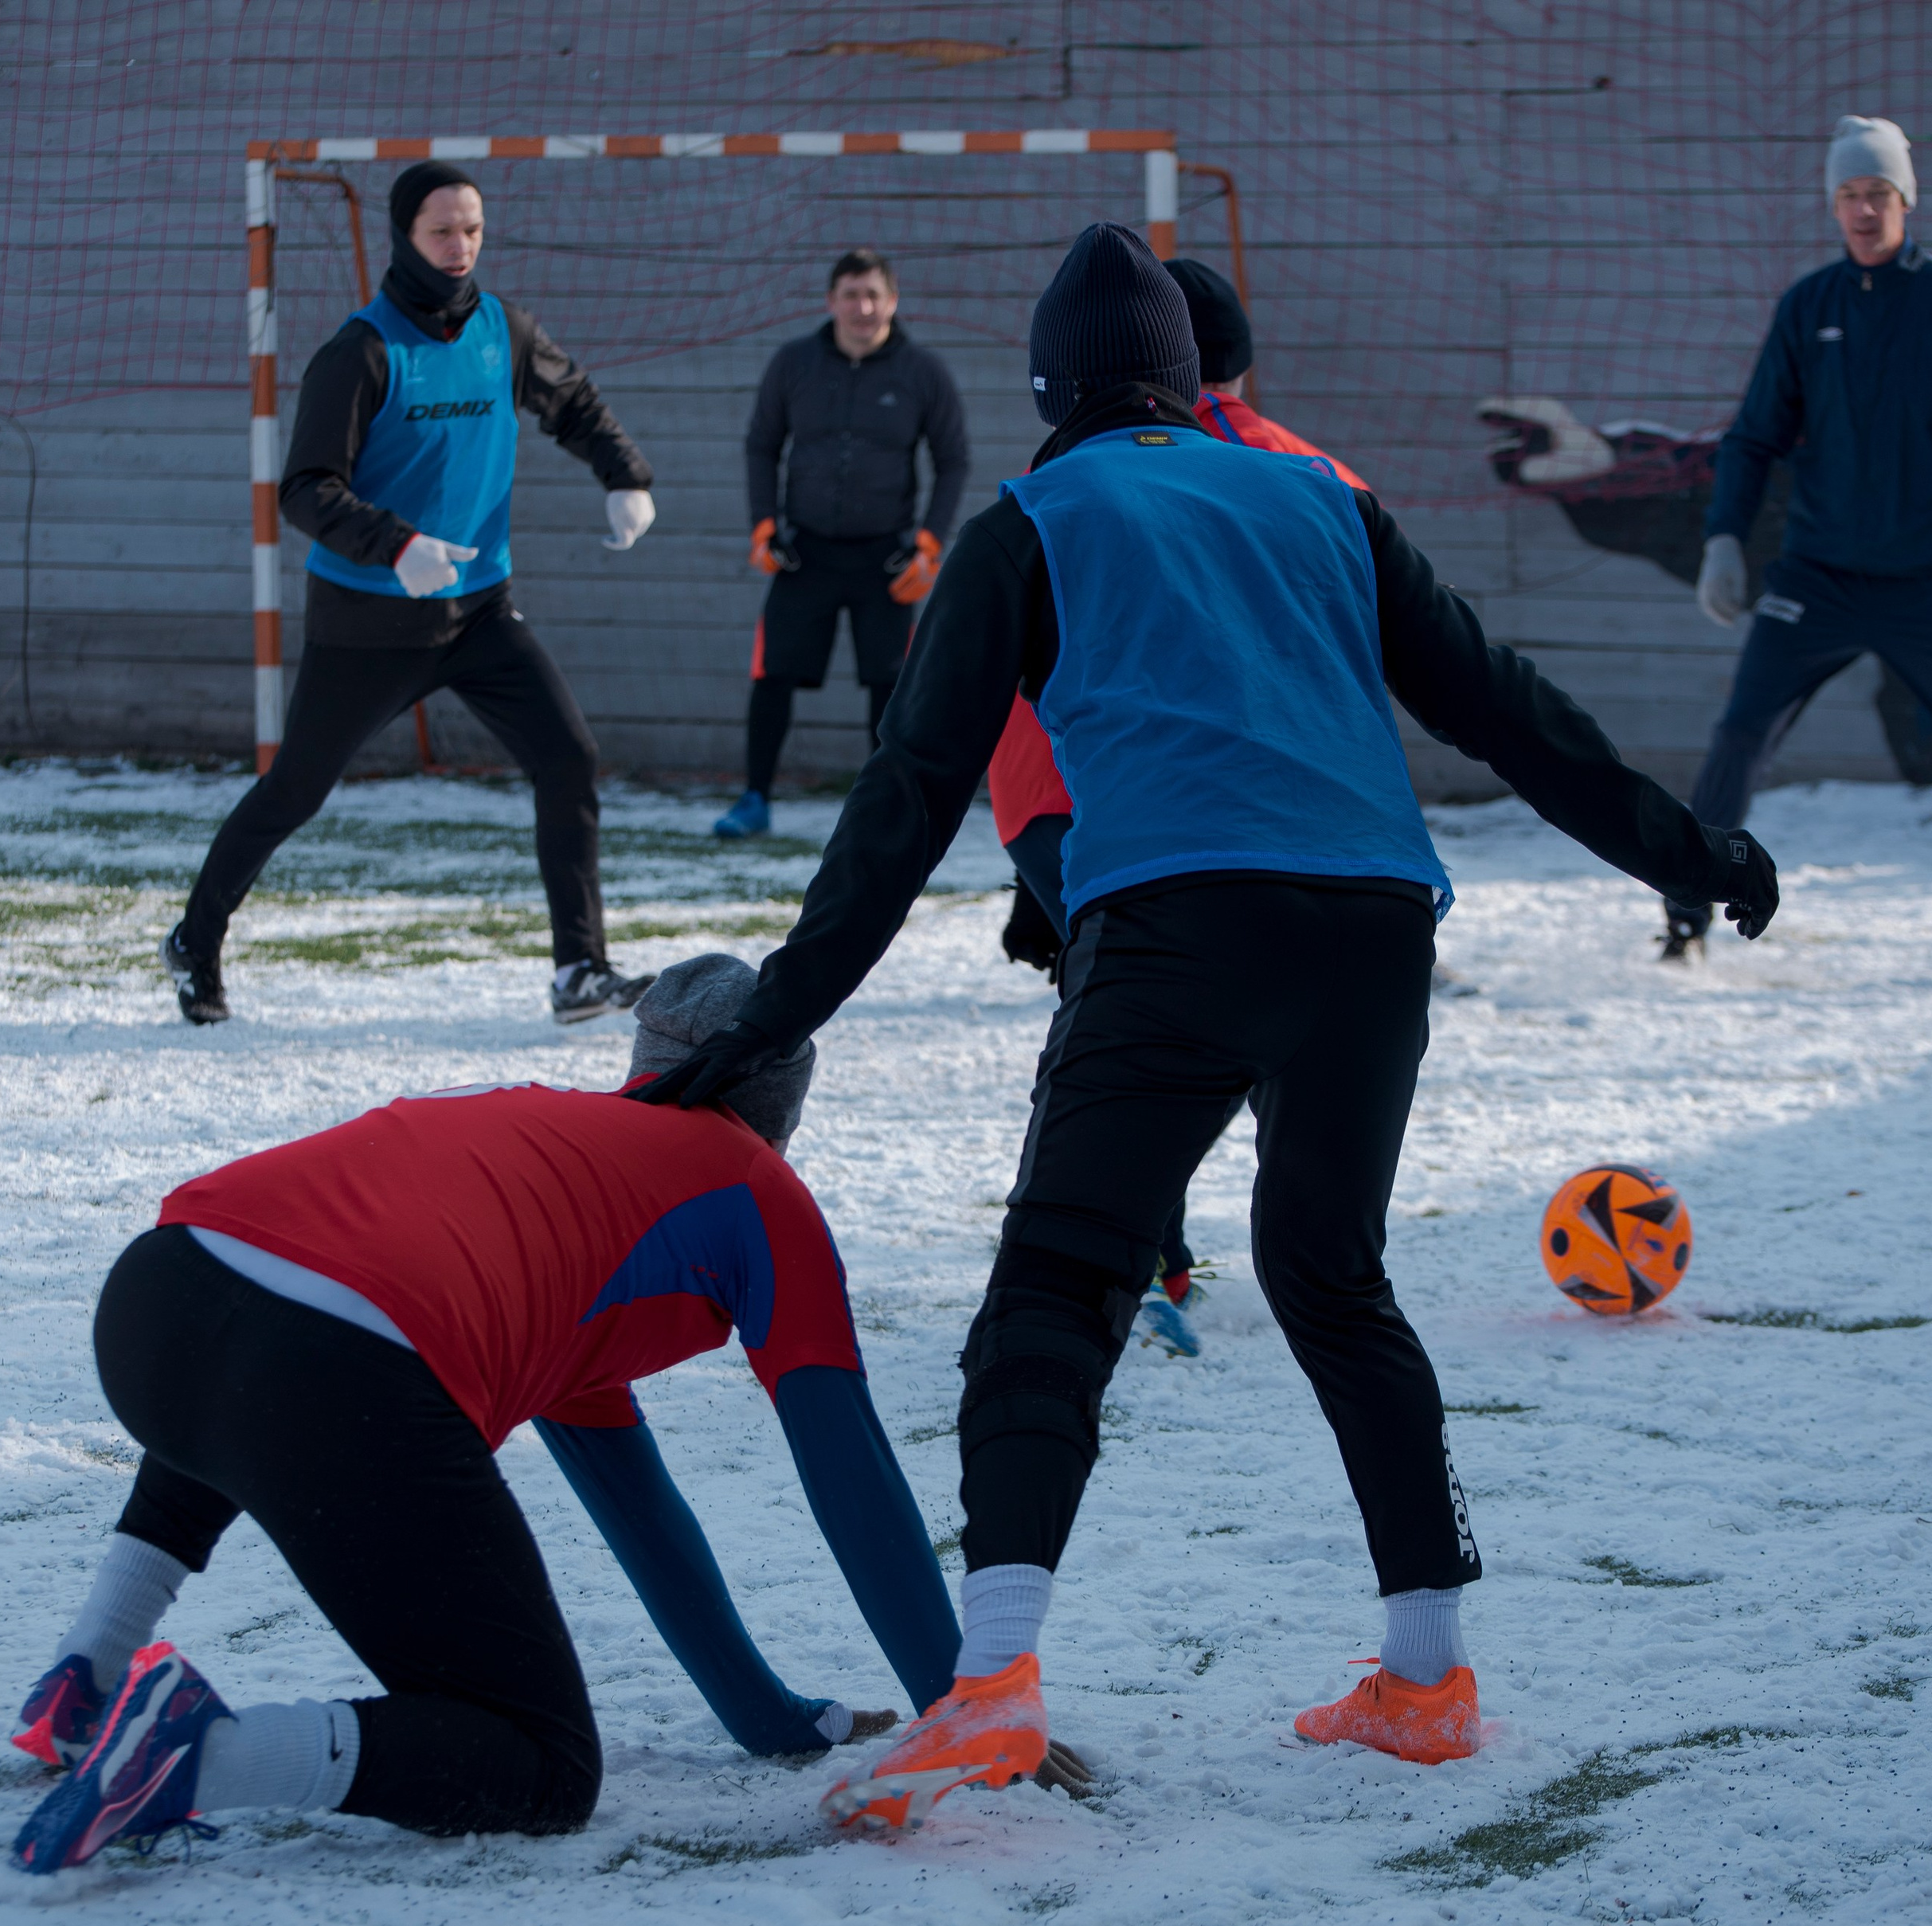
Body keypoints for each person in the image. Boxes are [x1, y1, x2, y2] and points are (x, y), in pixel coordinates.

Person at [632, 224, 1781, 1832]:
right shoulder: (1321, 496)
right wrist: (1692, 854)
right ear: (1187, 383)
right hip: (1373, 932)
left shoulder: (1029, 520)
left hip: (1177, 925)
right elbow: (1509, 710)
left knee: (1058, 1280)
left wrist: (772, 1019)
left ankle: (991, 1684)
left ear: (1051, 390)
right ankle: (1427, 1680)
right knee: (1333, 1277)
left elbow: (905, 799)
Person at [6, 956, 967, 1872]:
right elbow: (854, 1483)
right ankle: (199, 1753)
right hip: (329, 1366)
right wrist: (963, 1711)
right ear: (781, 1105)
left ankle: (85, 1676)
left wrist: (773, 1721)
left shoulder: (569, 1176)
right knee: (543, 1766)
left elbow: (646, 1521)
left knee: (258, 1355)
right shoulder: (755, 1188)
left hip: (155, 1299)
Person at [162, 160, 659, 1028]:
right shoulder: (361, 352)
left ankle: (580, 969)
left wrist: (625, 475)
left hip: (479, 611)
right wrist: (394, 545)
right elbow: (305, 489)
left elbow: (574, 402)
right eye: (442, 231)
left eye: (472, 229)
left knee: (567, 757)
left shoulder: (504, 330)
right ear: (405, 237)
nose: (460, 246)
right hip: (369, 622)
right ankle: (194, 941)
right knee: (295, 792)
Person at [991, 256, 1374, 1361]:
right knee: (1209, 1030)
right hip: (1198, 802)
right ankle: (1167, 1265)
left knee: (1124, 1020)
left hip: (1047, 792)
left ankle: (1127, 1260)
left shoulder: (1071, 465)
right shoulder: (1293, 472)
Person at [1668, 114, 1931, 959]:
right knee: (1740, 734)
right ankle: (1686, 918)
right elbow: (1754, 438)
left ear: (1906, 200)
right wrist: (1723, 539)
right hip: (1817, 579)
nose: (1864, 209)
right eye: (1849, 194)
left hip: (1922, 581)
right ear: (1833, 205)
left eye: (1879, 192)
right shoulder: (1808, 306)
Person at [713, 250, 970, 840]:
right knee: (773, 676)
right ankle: (754, 799)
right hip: (805, 554)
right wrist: (763, 525)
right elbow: (761, 444)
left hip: (887, 560)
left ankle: (886, 810)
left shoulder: (923, 372)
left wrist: (929, 544)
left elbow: (953, 460)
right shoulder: (793, 363)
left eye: (874, 294)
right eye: (851, 294)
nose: (863, 307)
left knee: (890, 688)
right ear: (830, 301)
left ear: (893, 301)